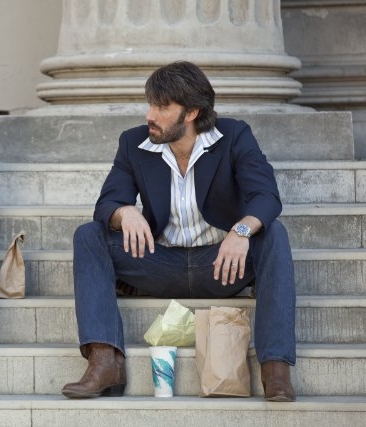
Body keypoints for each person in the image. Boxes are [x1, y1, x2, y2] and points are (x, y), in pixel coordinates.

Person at [61, 61, 296, 402]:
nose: (150, 115)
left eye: (162, 107)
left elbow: (266, 196)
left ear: (192, 112)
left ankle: (275, 368)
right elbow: (107, 202)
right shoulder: (134, 143)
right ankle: (104, 361)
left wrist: (241, 231)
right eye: (150, 105)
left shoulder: (234, 136)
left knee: (274, 234)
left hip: (221, 265)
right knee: (89, 235)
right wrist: (125, 212)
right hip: (159, 264)